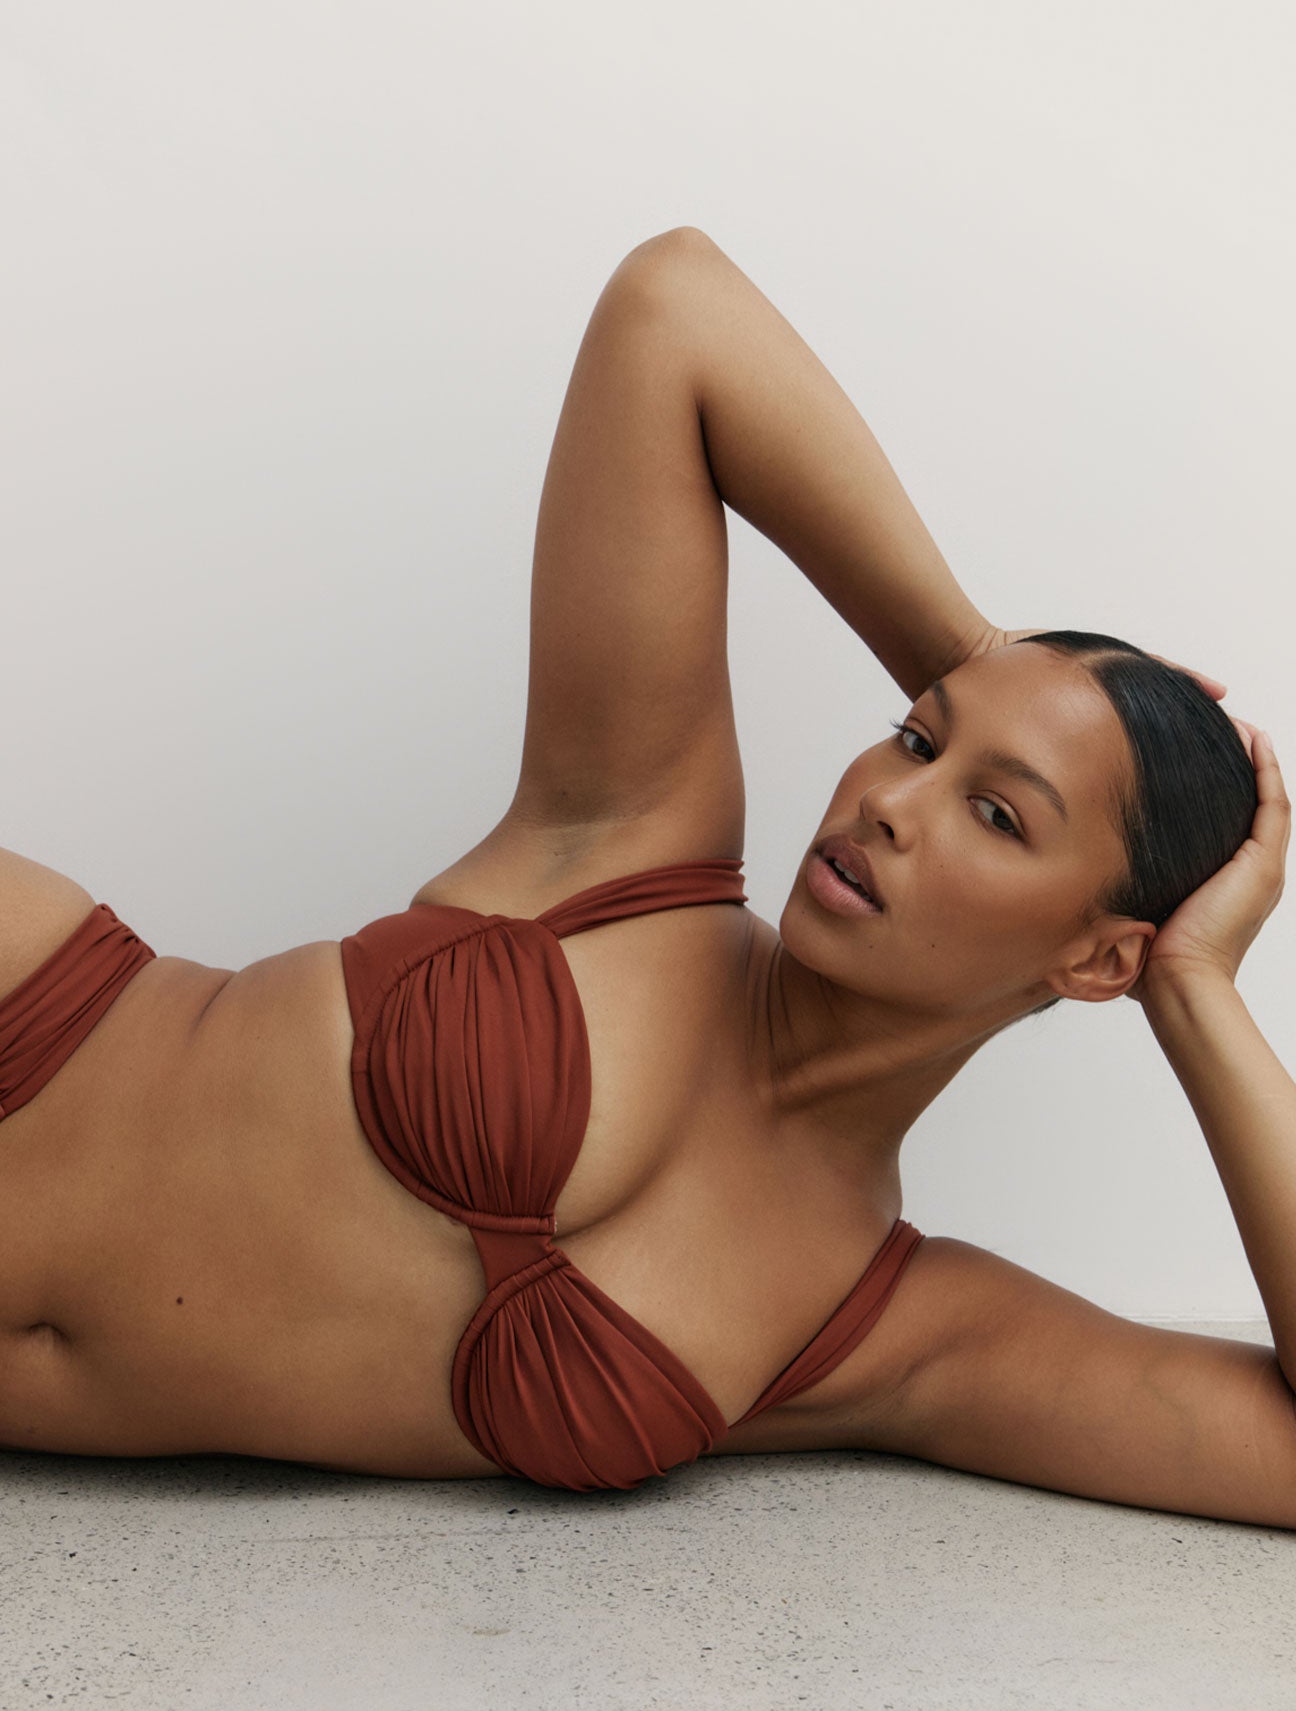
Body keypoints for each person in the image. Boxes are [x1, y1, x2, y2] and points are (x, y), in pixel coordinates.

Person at [1, 228, 1290, 1520]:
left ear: (1098, 957)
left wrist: (1194, 991)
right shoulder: (642, 839)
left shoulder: (882, 1328)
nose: (890, 802)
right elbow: (675, 307)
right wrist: (984, 657)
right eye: (915, 737)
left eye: (997, 814)